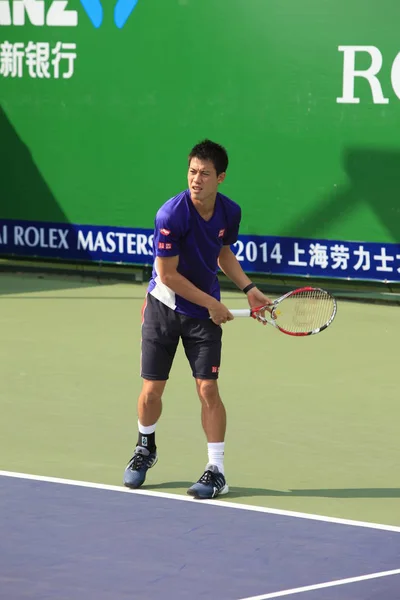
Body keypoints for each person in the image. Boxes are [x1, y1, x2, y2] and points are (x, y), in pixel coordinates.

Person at [123, 139, 271, 499]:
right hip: (164, 308)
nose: (196, 179)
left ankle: (216, 469)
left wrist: (249, 288)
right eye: (192, 172)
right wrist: (212, 304)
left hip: (203, 316)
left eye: (205, 174)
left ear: (220, 178)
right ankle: (145, 446)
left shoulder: (229, 212)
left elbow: (223, 253)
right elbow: (169, 275)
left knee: (207, 389)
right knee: (151, 391)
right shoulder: (170, 215)